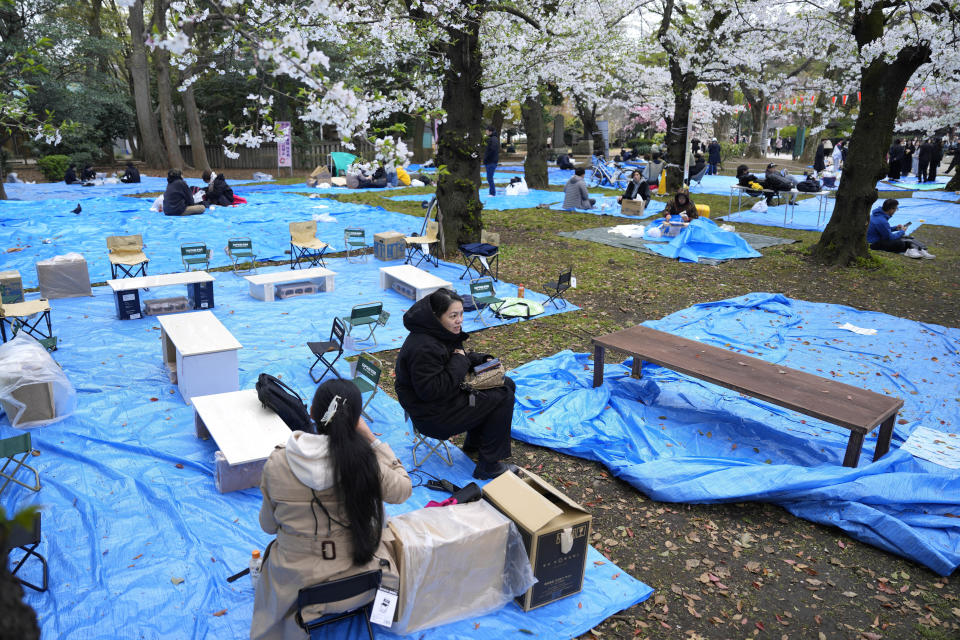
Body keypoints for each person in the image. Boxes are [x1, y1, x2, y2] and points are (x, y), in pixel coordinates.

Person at [251, 379, 412, 640]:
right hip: (363, 584)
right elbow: (404, 489)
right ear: (356, 420)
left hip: (296, 589)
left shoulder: (278, 462)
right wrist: (371, 438)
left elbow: (268, 526)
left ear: (312, 412)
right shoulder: (365, 461)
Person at [395, 289, 518, 480]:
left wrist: (482, 360)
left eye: (461, 314)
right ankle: (489, 466)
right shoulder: (424, 347)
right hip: (433, 416)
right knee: (503, 395)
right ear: (436, 316)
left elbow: (455, 356)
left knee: (506, 382)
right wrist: (460, 362)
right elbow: (432, 390)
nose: (460, 320)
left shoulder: (438, 332)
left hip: (443, 402)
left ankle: (474, 444)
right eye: (453, 315)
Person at [867, 199, 934, 259]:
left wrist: (895, 228)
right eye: (896, 209)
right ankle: (913, 250)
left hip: (875, 239)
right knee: (900, 242)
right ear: (891, 209)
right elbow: (889, 237)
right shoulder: (881, 220)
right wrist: (902, 231)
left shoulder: (876, 215)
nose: (895, 211)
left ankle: (920, 249)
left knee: (905, 237)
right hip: (873, 243)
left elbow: (882, 229)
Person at [483, 125, 499, 196]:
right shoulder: (492, 138)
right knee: (489, 178)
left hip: (491, 161)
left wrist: (486, 158)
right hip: (490, 161)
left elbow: (492, 150)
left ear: (490, 131)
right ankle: (492, 192)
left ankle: (492, 193)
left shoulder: (493, 139)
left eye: (486, 130)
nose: (485, 132)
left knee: (489, 178)